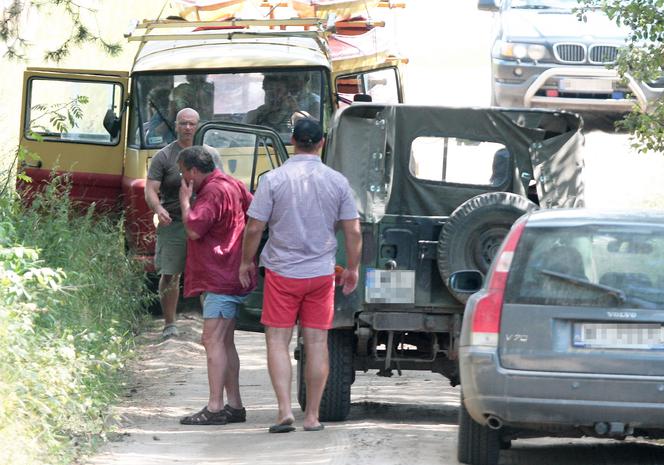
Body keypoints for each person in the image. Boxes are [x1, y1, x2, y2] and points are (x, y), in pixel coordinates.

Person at [238, 118, 362, 433]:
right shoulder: (337, 182)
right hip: (321, 274)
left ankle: (283, 411)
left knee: (278, 341)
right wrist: (353, 268)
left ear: (293, 140)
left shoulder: (274, 180)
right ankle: (312, 416)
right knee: (318, 342)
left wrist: (246, 261)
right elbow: (353, 231)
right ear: (322, 142)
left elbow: (255, 227)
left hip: (282, 273)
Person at [177, 145, 256, 425]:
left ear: (194, 171)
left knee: (211, 340)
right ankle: (234, 405)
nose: (184, 179)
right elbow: (255, 211)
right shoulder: (233, 183)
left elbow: (193, 229)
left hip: (219, 276)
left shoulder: (211, 192)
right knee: (225, 342)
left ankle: (214, 407)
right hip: (234, 272)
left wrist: (186, 200)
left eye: (184, 174)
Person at [145, 108, 200, 339]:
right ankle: (170, 325)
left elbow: (220, 184)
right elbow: (150, 189)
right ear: (176, 126)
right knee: (170, 274)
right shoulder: (164, 156)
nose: (187, 128)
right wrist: (158, 209)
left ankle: (212, 325)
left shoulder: (207, 154)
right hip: (174, 223)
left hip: (203, 225)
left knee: (209, 274)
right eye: (183, 123)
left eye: (191, 124)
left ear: (197, 126)